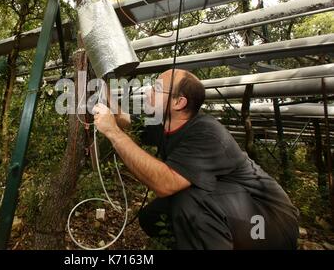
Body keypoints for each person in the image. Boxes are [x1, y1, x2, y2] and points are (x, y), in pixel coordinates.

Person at [92, 69, 299, 250]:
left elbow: (165, 183)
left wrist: (113, 133)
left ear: (179, 102)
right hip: (235, 212)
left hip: (268, 224)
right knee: (151, 217)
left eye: (156, 88)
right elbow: (124, 118)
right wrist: (102, 85)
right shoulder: (164, 123)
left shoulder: (207, 132)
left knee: (188, 202)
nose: (148, 91)